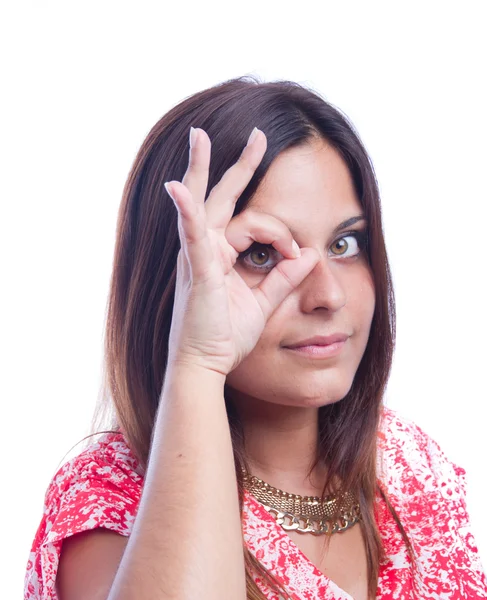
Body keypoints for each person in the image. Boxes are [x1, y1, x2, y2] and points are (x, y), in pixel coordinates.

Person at [24, 76, 486, 600]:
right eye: (261, 255)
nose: (327, 295)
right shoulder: (107, 495)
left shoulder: (407, 464)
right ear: (173, 278)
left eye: (344, 242)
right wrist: (199, 361)